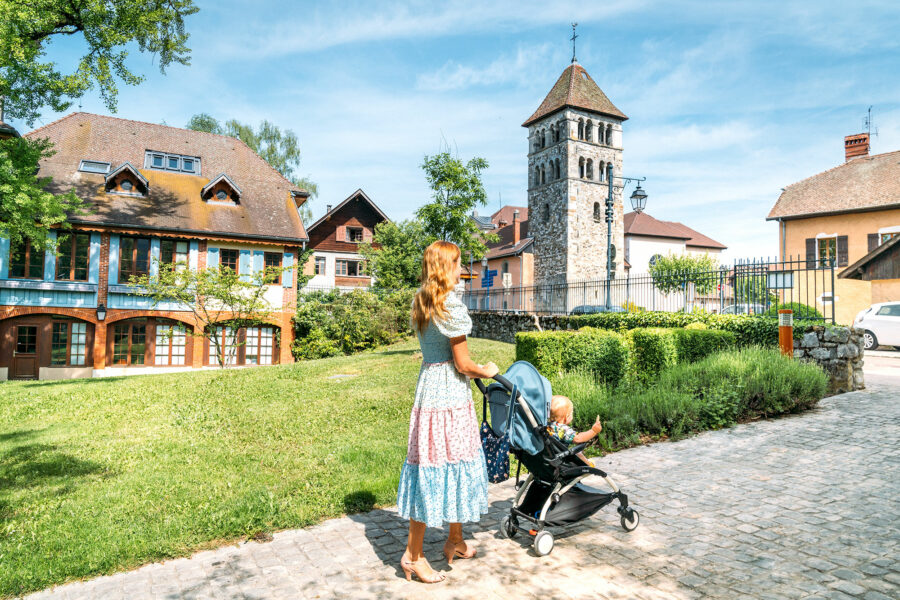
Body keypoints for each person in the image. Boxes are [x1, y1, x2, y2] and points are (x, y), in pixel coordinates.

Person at [396, 240, 499, 584]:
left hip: (429, 388)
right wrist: (486, 370)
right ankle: (413, 555)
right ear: (444, 269)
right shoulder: (451, 307)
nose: (462, 271)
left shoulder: (423, 301)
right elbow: (463, 363)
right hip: (450, 396)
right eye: (457, 264)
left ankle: (455, 540)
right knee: (441, 465)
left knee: (441, 463)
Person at [548, 395, 602, 467]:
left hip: (548, 458)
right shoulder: (562, 429)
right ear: (567, 417)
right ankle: (589, 465)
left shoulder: (545, 426)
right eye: (571, 413)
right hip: (560, 460)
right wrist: (594, 431)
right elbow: (578, 438)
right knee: (577, 454)